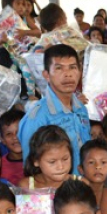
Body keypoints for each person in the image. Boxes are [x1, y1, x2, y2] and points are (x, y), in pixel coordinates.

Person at [18, 44, 90, 175]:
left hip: (83, 187)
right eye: (59, 68)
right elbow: (31, 170)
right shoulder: (36, 118)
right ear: (46, 75)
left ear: (80, 72)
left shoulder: (81, 109)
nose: (67, 74)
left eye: (73, 67)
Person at [17, 125, 75, 191]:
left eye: (65, 159)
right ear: (36, 161)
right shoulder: (26, 186)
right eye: (52, 162)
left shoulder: (80, 185)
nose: (60, 167)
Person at [0, 108, 25, 186]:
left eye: (19, 132)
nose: (15, 137)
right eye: (9, 134)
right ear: (2, 140)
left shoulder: (39, 161)